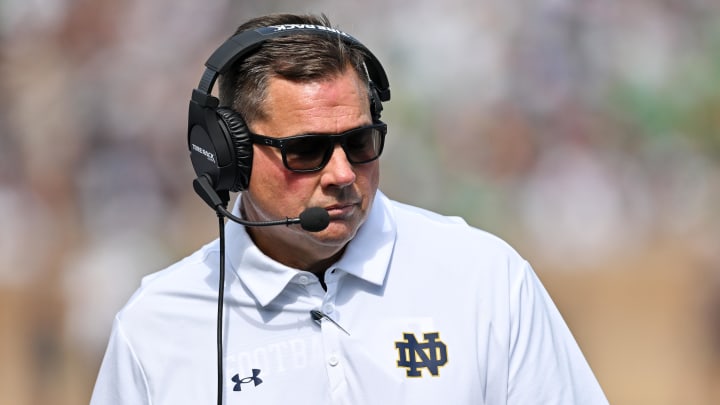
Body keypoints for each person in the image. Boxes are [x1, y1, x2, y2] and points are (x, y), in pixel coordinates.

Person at [90, 13, 608, 405]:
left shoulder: (486, 278)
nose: (341, 174)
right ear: (229, 155)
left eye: (360, 143)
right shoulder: (155, 327)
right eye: (307, 151)